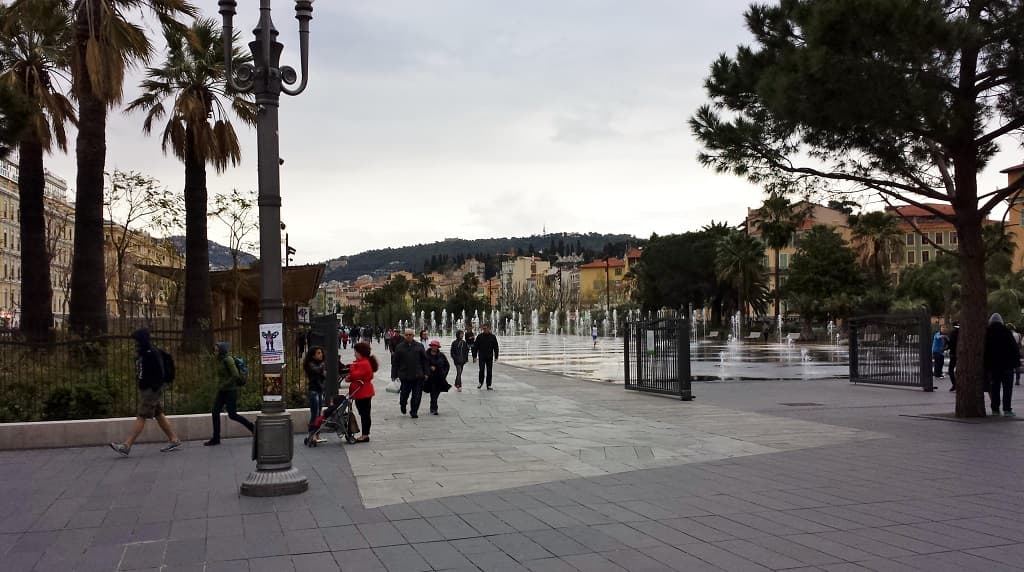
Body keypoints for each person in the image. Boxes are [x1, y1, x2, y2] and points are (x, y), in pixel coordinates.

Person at [109, 328, 181, 455]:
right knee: (158, 414)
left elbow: (160, 372)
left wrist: (154, 387)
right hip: (147, 389)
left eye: (137, 340)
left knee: (142, 415)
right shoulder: (142, 353)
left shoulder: (152, 353)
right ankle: (174, 439)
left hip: (151, 390)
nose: (135, 343)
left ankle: (127, 445)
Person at [204, 342, 255, 446]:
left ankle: (253, 428)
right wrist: (222, 385)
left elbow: (235, 375)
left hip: (230, 390)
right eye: (214, 350)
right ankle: (216, 438)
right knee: (215, 412)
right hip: (222, 390)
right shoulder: (221, 360)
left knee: (232, 414)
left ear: (222, 350)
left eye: (217, 350)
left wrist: (224, 384)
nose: (215, 352)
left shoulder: (228, 360)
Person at [984, 313, 1020, 417]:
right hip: (1007, 366)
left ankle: (995, 409)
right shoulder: (1007, 332)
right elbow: (1014, 349)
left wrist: (986, 366)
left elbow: (985, 351)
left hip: (993, 366)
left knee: (995, 388)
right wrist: (1015, 364)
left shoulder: (987, 333)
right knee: (1007, 389)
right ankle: (1007, 409)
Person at [392, 328, 428, 418]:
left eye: (410, 335)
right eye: (407, 334)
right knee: (404, 395)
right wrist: (394, 375)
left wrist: (426, 373)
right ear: (404, 335)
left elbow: (425, 361)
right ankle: (403, 404)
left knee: (417, 396)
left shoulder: (419, 346)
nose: (408, 336)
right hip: (405, 376)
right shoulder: (399, 347)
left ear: (413, 335)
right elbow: (395, 362)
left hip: (417, 375)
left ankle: (414, 411)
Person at [347, 342, 377, 443]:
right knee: (364, 413)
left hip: (363, 391)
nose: (354, 354)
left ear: (360, 353)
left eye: (355, 352)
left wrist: (352, 368)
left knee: (364, 413)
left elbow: (356, 375)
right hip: (361, 391)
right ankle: (365, 433)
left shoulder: (363, 363)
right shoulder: (362, 362)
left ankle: (365, 435)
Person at [303, 346, 327, 439]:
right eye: (318, 353)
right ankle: (311, 433)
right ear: (313, 356)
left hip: (319, 390)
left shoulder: (320, 364)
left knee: (319, 413)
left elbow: (323, 375)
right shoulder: (311, 364)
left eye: (321, 353)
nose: (321, 355)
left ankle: (317, 433)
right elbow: (318, 371)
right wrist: (322, 367)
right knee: (315, 413)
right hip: (313, 391)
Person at [425, 340, 451, 414]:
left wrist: (444, 374)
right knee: (433, 392)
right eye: (432, 345)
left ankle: (433, 405)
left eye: (435, 346)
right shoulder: (426, 355)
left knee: (436, 393)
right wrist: (429, 368)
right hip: (430, 378)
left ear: (438, 347)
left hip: (439, 377)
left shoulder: (441, 355)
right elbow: (422, 364)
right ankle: (434, 408)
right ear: (430, 346)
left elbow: (447, 365)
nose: (434, 347)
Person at [472, 323, 499, 390]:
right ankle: (480, 382)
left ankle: (489, 385)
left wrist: (496, 356)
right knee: (481, 370)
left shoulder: (493, 337)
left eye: (485, 328)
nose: (484, 330)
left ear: (489, 328)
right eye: (483, 329)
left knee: (489, 371)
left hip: (489, 356)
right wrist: (474, 356)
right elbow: (475, 347)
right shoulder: (480, 336)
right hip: (482, 356)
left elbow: (496, 347)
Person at [948, 322, 960, 392]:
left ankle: (954, 384)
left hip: (954, 354)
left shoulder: (953, 333)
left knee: (951, 370)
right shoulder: (963, 333)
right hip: (961, 354)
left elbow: (951, 344)